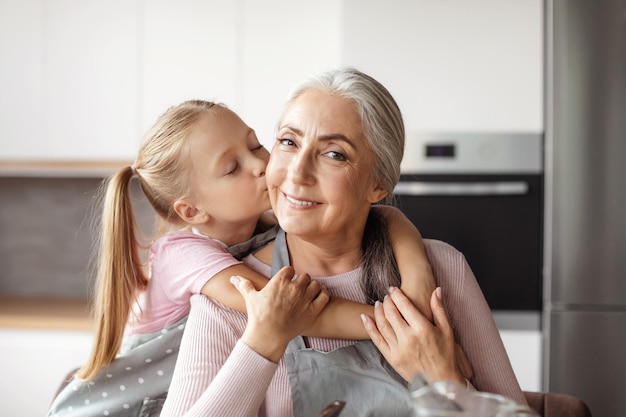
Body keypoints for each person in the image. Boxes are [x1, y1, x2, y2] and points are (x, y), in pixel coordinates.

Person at [160, 67, 525, 417]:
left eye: (334, 154)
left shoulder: (443, 270)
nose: (297, 173)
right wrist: (262, 345)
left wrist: (445, 381)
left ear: (378, 184)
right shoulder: (233, 296)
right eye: (288, 142)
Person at [48, 99, 438, 416]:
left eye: (254, 145)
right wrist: (405, 327)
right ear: (191, 212)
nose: (260, 164)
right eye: (233, 168)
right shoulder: (184, 254)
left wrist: (417, 275)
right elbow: (287, 309)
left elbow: (383, 215)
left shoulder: (264, 223)